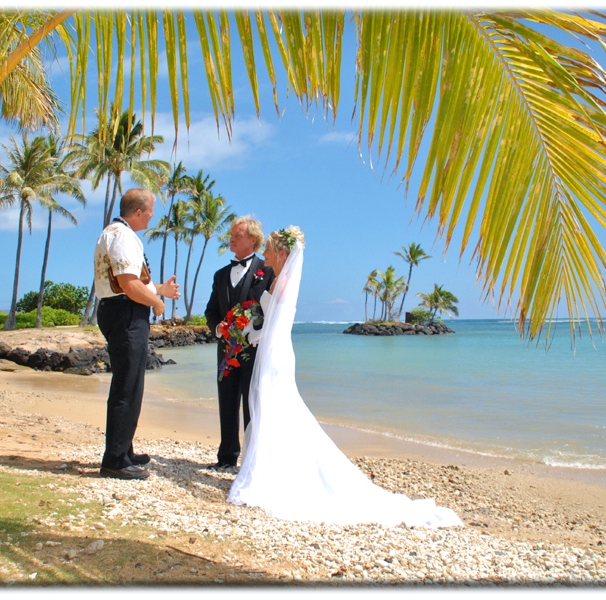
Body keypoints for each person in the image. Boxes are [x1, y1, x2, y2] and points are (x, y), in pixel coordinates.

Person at [227, 227, 463, 528]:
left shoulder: (283, 282)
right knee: (273, 409)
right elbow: (273, 322)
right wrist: (254, 332)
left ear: (283, 253)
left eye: (270, 250)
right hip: (272, 349)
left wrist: (254, 333)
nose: (265, 255)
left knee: (276, 407)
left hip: (276, 353)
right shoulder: (278, 279)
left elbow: (278, 323)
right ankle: (272, 468)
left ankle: (273, 474)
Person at [93, 188, 180, 480]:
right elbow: (130, 286)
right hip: (126, 312)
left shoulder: (115, 233)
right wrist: (156, 302)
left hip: (119, 310)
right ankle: (115, 459)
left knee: (130, 382)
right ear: (139, 211)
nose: (154, 214)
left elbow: (132, 282)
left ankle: (124, 449)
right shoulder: (124, 237)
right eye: (151, 209)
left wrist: (159, 290)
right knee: (128, 385)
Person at [204, 216, 275, 469]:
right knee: (227, 401)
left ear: (252, 240)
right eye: (231, 235)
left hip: (255, 350)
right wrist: (217, 327)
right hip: (225, 349)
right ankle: (226, 457)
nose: (231, 239)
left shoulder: (267, 272)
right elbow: (211, 311)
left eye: (238, 235)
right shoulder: (220, 275)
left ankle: (251, 459)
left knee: (252, 403)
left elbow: (272, 312)